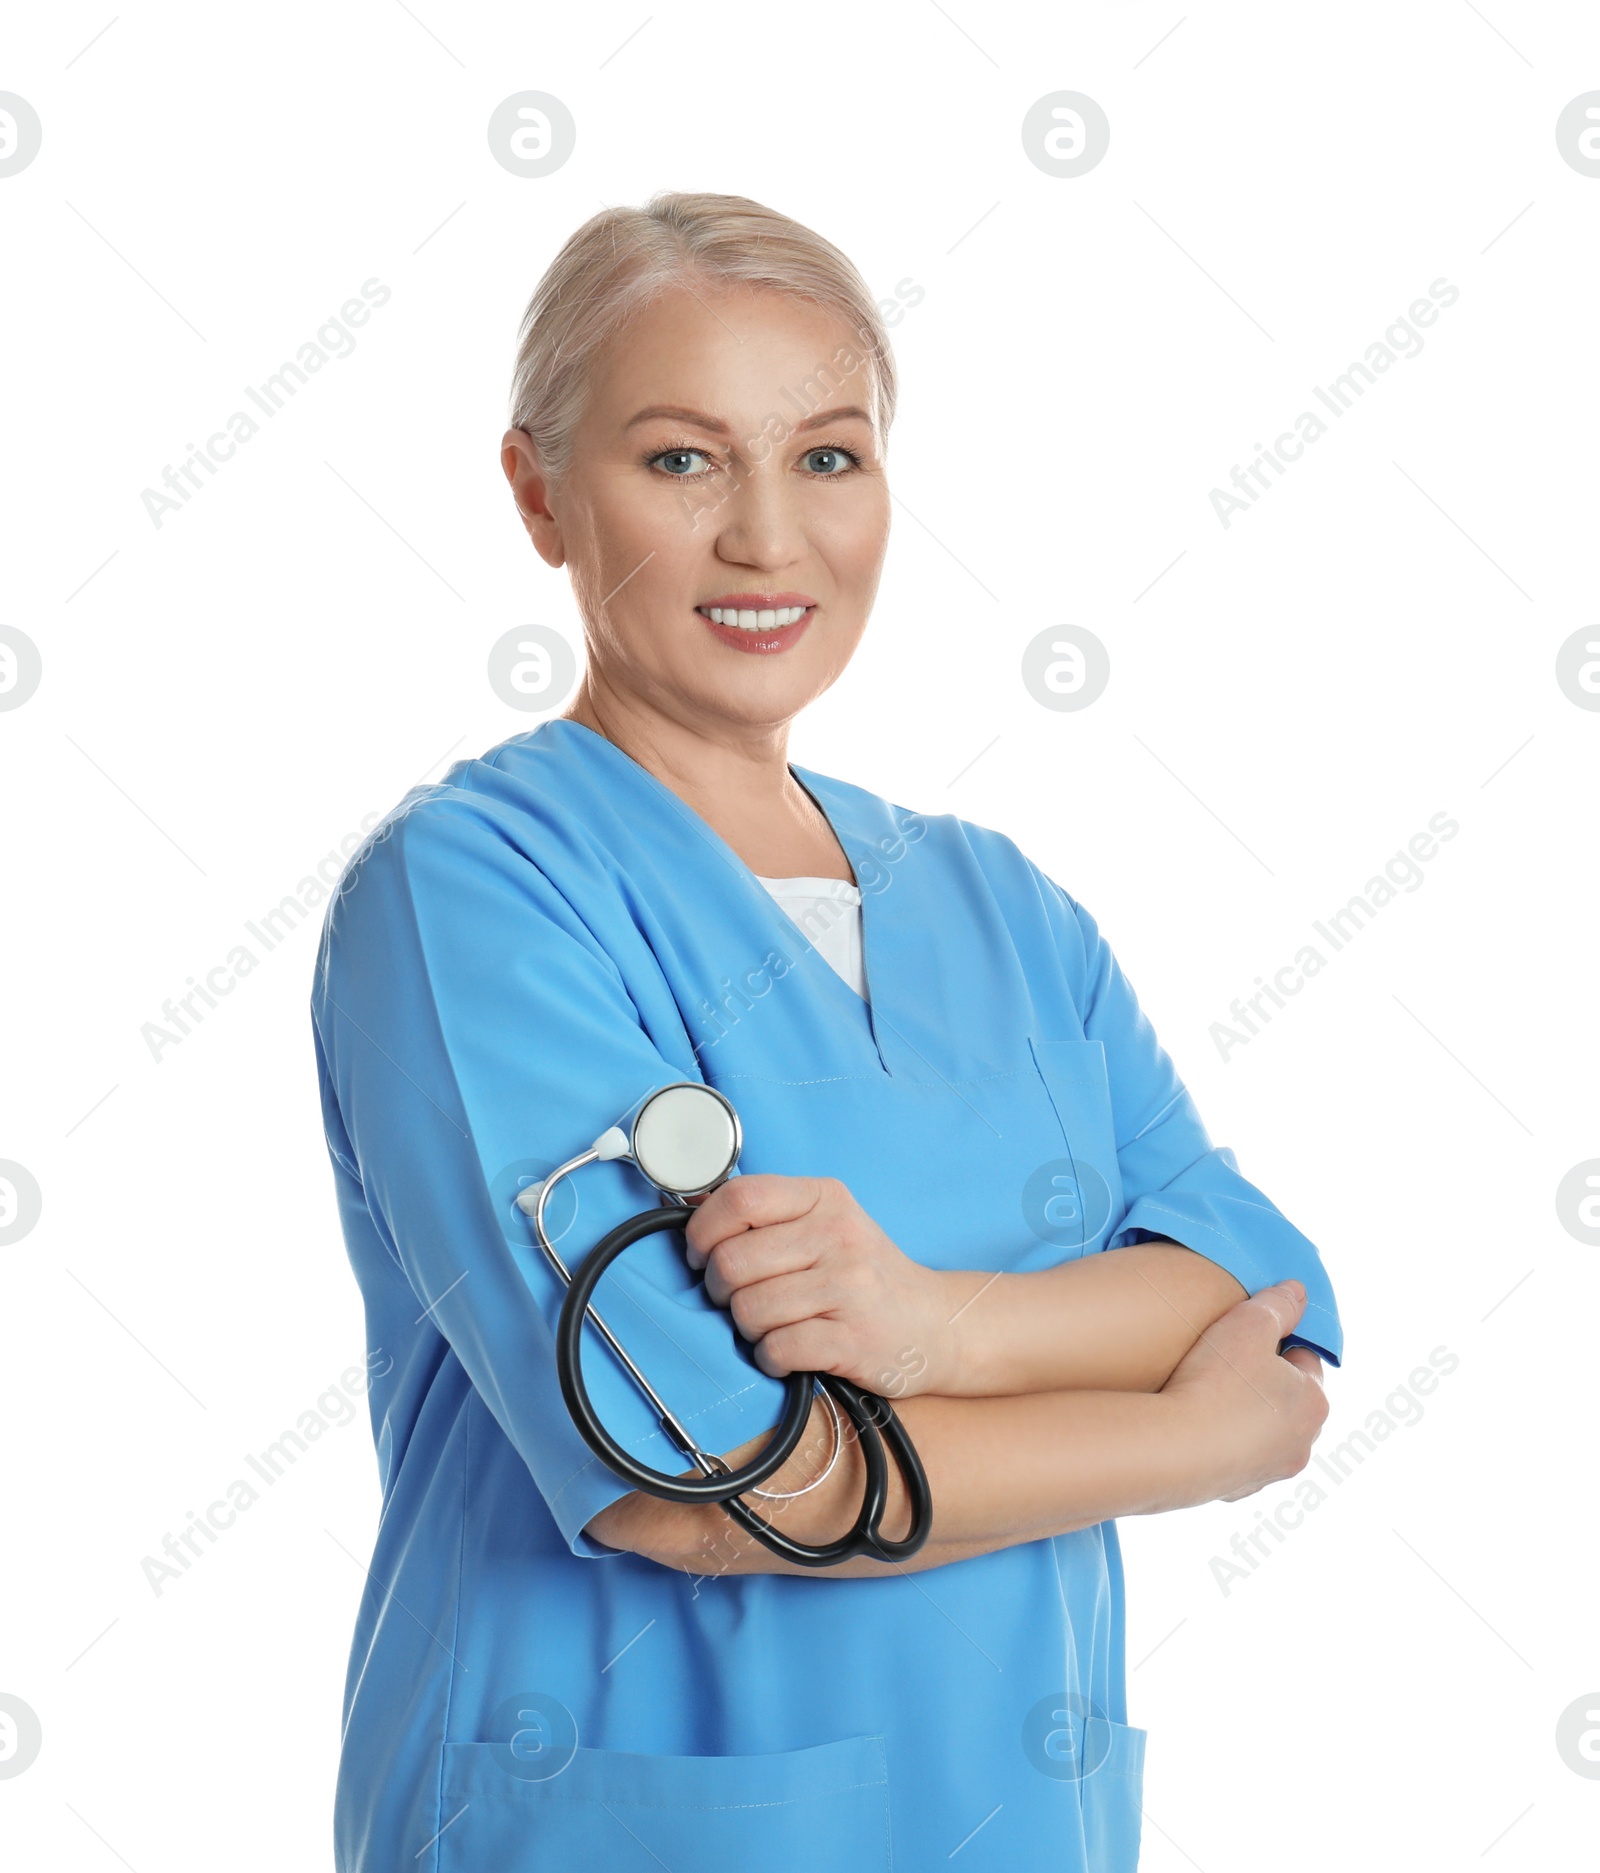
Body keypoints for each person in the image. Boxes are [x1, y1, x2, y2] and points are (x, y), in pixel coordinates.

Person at [311, 190, 1341, 1873]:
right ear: (537, 493)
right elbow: (699, 1474)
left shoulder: (1005, 908)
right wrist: (1194, 1435)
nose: (768, 541)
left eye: (830, 458)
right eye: (681, 459)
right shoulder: (476, 895)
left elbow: (1256, 1292)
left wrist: (927, 1328)